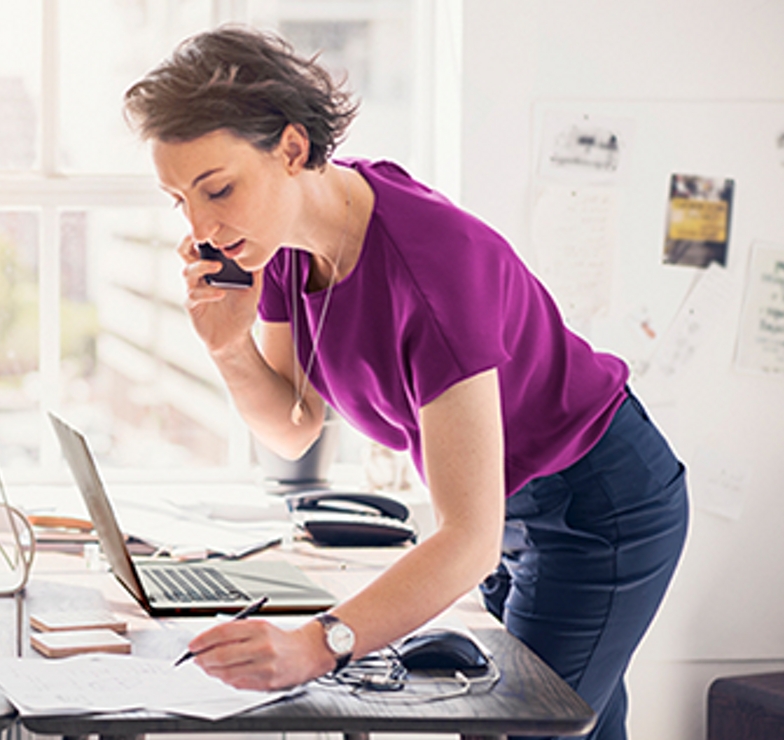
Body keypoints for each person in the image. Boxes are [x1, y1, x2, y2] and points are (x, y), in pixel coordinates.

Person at [123, 26, 688, 740]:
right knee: (575, 722)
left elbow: (468, 539)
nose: (202, 227)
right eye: (180, 201)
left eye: (218, 189)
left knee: (524, 726)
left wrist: (314, 644)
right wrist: (229, 349)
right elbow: (295, 426)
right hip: (509, 509)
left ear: (292, 149)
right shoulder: (287, 244)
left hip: (596, 504)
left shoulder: (430, 268)